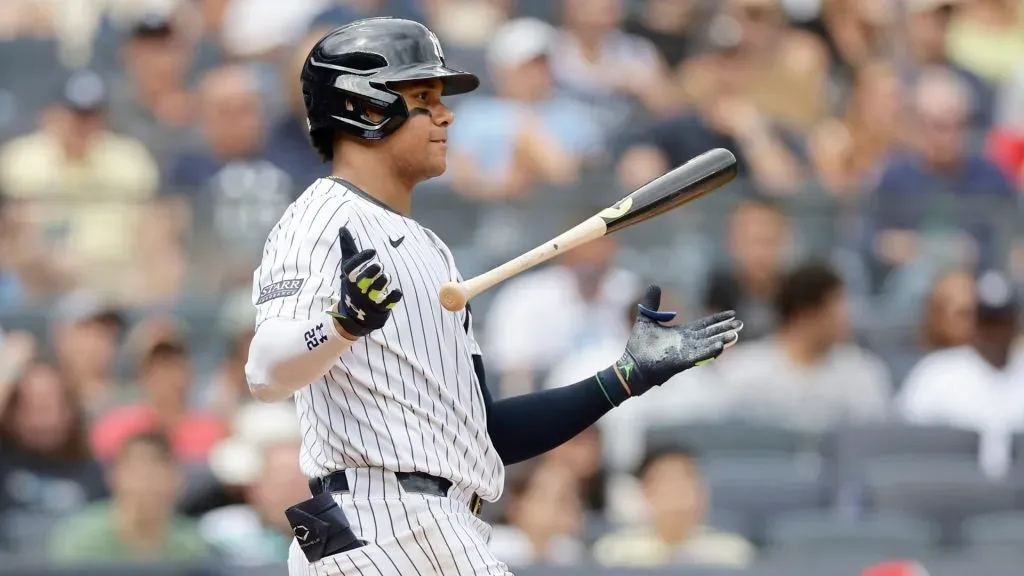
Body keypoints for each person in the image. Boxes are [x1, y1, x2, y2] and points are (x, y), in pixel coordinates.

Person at [244, 17, 743, 576]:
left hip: (440, 526)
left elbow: (488, 434)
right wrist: (342, 323)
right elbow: (265, 371)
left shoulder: (432, 249)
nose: (446, 114)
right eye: (424, 98)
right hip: (377, 523)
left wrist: (625, 376)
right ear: (364, 108)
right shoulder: (319, 220)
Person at [716, 261, 892, 431]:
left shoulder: (861, 372)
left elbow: (873, 437)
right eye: (836, 309)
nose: (846, 318)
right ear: (805, 314)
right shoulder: (743, 371)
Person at [897, 270, 1024, 478]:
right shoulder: (935, 372)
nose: (996, 331)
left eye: (1004, 321)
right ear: (975, 322)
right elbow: (906, 447)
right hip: (951, 495)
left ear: (1016, 324)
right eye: (988, 321)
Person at [48, 432, 209, 563]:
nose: (146, 482)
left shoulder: (192, 545)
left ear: (177, 479)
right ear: (114, 476)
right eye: (137, 470)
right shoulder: (80, 536)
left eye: (155, 470)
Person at [0, 358, 107, 554]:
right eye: (29, 404)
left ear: (70, 410)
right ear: (12, 414)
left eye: (49, 404)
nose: (39, 418)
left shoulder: (98, 476)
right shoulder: (3, 464)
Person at [593, 446, 754, 568]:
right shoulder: (614, 553)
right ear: (645, 492)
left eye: (686, 479)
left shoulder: (731, 554)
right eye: (667, 482)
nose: (677, 491)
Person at [487, 460, 586, 567]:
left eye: (574, 498)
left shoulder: (570, 553)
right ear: (516, 504)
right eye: (563, 498)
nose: (573, 506)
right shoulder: (490, 547)